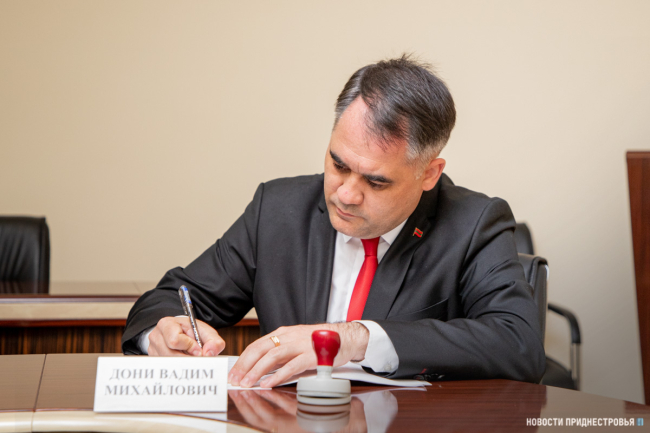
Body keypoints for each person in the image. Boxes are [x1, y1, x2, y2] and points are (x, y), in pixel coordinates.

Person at [122, 55, 545, 387]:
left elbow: (518, 343)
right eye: (338, 164)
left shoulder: (473, 223)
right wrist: (161, 331)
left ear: (429, 174)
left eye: (375, 182)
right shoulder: (278, 209)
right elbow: (175, 296)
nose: (345, 194)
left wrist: (353, 338)